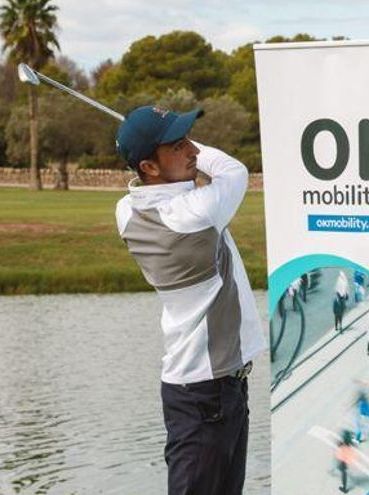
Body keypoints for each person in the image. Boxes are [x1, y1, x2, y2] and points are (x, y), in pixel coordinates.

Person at [114, 106, 268, 495]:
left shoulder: (127, 212)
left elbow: (166, 187)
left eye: (189, 141)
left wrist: (169, 148)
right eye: (179, 146)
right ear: (148, 166)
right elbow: (233, 170)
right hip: (207, 392)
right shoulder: (195, 214)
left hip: (210, 387)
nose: (192, 152)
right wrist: (197, 150)